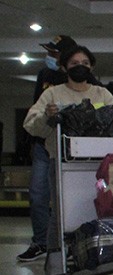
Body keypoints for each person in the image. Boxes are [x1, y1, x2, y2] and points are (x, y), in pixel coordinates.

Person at [23, 45, 113, 275]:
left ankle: (95, 265)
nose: (80, 66)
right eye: (75, 62)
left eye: (85, 62)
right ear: (64, 67)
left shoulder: (102, 95)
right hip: (62, 162)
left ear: (92, 67)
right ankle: (57, 267)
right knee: (61, 214)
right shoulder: (52, 94)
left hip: (96, 166)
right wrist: (47, 116)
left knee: (96, 211)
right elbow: (31, 125)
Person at [17, 35, 82, 262]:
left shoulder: (85, 81)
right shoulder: (45, 77)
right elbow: (36, 111)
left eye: (54, 54)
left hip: (68, 148)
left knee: (69, 197)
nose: (49, 57)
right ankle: (41, 242)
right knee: (38, 194)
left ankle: (69, 244)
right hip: (43, 145)